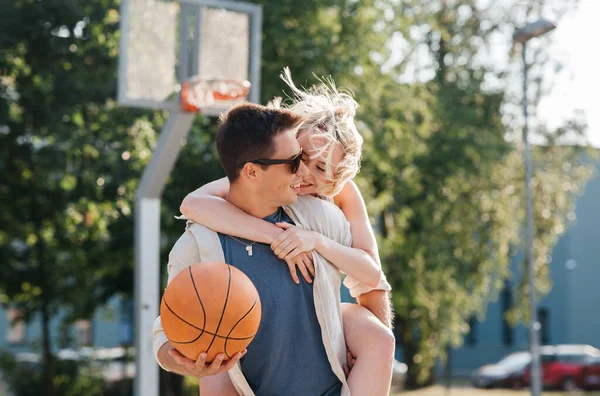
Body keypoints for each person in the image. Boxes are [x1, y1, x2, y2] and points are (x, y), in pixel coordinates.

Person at [178, 70, 395, 395]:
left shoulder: (343, 196)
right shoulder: (263, 178)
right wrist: (275, 235)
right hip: (248, 306)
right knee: (217, 353)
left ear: (336, 180)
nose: (305, 171)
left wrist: (359, 348)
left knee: (379, 339)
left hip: (313, 313)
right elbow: (194, 203)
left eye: (321, 168)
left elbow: (371, 282)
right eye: (302, 157)